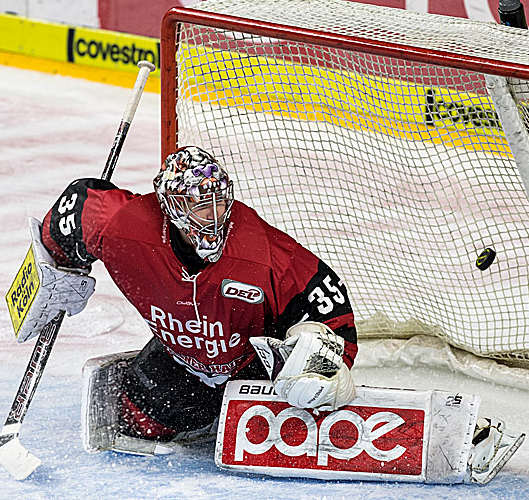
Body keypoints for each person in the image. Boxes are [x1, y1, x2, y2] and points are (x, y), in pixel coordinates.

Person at [33, 145, 358, 445]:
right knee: (136, 425)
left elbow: (331, 312)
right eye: (202, 206)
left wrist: (326, 363)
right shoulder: (126, 228)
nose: (215, 214)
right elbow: (78, 208)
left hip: (251, 371)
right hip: (179, 364)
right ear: (173, 208)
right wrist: (58, 263)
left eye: (218, 200)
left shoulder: (262, 252)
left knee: (292, 410)